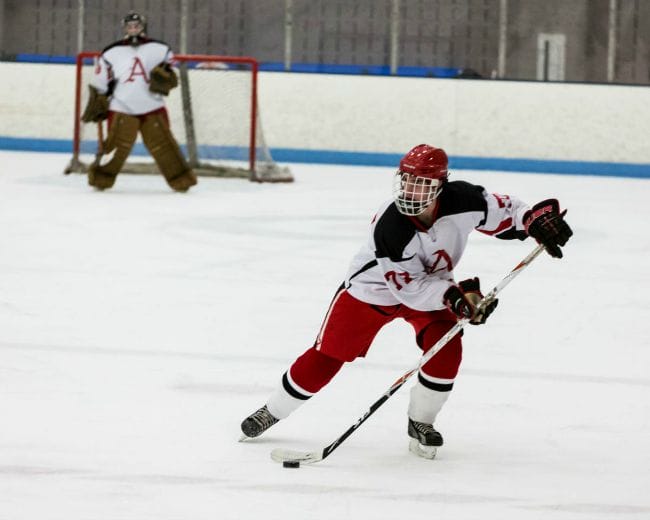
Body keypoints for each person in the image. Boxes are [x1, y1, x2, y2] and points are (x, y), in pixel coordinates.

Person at [240, 144, 573, 458]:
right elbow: (410, 289)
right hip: (370, 294)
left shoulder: (465, 199)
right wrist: (456, 299)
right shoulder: (391, 226)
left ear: (440, 185)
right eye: (407, 181)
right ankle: (272, 411)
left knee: (446, 349)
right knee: (328, 356)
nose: (411, 190)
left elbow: (509, 211)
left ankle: (421, 421)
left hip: (432, 287)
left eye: (421, 183)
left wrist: (534, 221)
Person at [81, 11, 197, 192]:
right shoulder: (111, 52)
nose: (133, 29)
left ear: (143, 27)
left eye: (137, 26)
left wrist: (166, 74)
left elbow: (170, 69)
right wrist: (99, 99)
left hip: (153, 106)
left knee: (164, 146)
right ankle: (101, 179)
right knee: (115, 147)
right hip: (121, 107)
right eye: (130, 26)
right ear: (124, 28)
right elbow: (101, 81)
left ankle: (181, 180)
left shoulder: (160, 48)